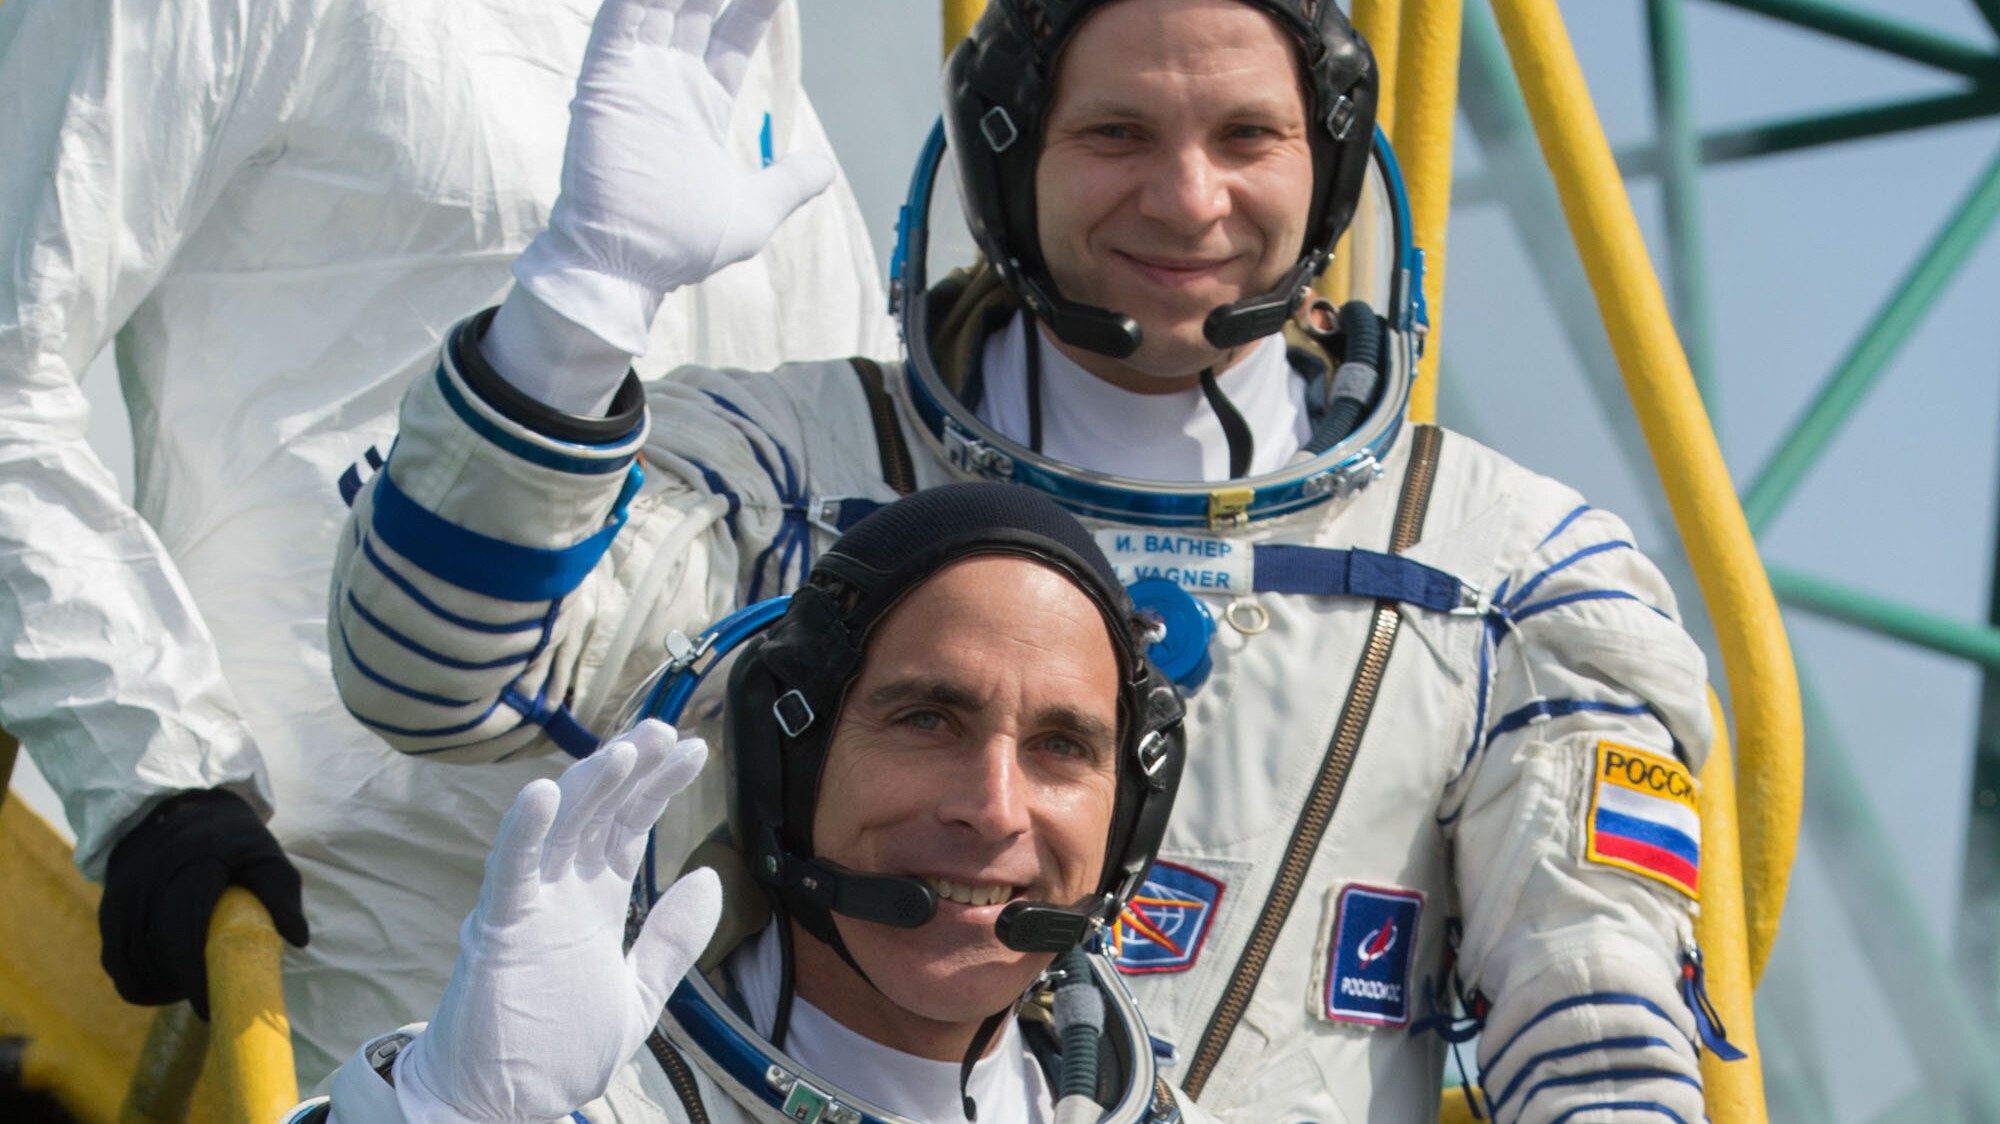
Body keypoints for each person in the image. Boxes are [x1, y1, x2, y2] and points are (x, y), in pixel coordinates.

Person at [331, 0, 1731, 1120]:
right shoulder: (786, 470)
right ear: (1006, 155)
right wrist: (581, 302)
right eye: (1116, 133)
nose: (1188, 202)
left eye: (1249, 136)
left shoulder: (1512, 584)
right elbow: (431, 674)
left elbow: (1598, 1049)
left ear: (1336, 170)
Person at [0, 0, 893, 1081]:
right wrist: (154, 778)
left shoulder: (744, 32)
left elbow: (857, 461)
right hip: (350, 902)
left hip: (740, 934)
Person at [288, 483, 1210, 1124]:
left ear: (1128, 815)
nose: (996, 808)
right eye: (928, 720)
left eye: (1062, 746)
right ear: (788, 762)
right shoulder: (539, 1089)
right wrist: (451, 1111)